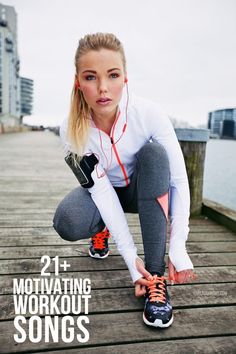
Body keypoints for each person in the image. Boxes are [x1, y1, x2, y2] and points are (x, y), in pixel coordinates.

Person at [53, 32, 196, 328]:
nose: (103, 88)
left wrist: (178, 245)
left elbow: (179, 181)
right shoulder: (71, 129)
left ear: (125, 78)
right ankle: (102, 229)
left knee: (156, 155)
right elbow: (102, 193)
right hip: (105, 192)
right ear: (78, 82)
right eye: (91, 77)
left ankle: (155, 278)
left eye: (113, 75)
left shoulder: (149, 114)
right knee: (67, 220)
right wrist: (132, 263)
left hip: (145, 190)